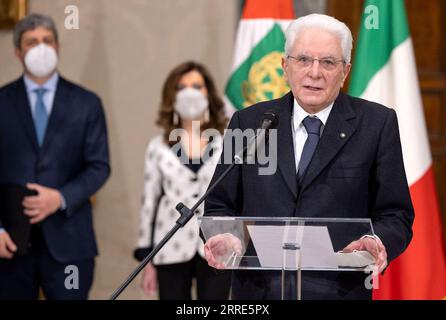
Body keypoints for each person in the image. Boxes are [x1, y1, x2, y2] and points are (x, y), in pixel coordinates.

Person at [203, 14, 414, 300]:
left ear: (345, 71)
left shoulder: (376, 124)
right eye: (303, 59)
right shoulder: (249, 122)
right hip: (259, 293)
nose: (314, 72)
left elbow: (395, 214)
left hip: (338, 291)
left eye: (328, 62)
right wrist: (228, 235)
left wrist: (374, 241)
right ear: (284, 65)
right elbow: (219, 204)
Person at [0, 14, 110, 299]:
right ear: (17, 51)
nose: (41, 48)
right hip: (9, 243)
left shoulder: (86, 103)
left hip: (70, 244)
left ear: (58, 47)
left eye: (47, 41)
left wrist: (59, 198)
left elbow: (99, 166)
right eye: (32, 42)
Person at [134, 61, 231, 300]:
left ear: (208, 92)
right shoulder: (158, 146)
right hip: (170, 246)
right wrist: (147, 259)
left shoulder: (228, 141)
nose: (190, 92)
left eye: (197, 86)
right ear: (172, 95)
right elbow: (149, 202)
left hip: (217, 243)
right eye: (182, 86)